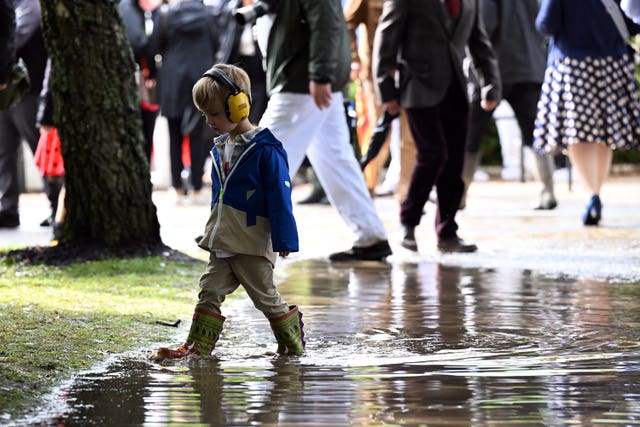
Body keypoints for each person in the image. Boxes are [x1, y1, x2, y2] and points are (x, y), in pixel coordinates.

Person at [156, 64, 305, 360]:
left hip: (251, 241)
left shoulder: (266, 149)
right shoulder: (220, 147)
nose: (208, 121)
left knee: (266, 299)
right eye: (204, 114)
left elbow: (280, 196)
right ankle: (197, 348)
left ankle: (292, 344)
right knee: (209, 290)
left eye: (214, 113)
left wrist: (285, 239)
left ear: (239, 107)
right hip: (223, 239)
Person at [255, 0, 392, 262]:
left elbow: (326, 23)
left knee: (261, 156)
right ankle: (370, 235)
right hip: (305, 77)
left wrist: (320, 75)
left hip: (301, 80)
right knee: (336, 159)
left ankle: (248, 240)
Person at [372, 0, 501, 253]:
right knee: (433, 154)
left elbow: (479, 42)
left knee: (454, 162)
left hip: (456, 89)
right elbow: (386, 39)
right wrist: (387, 92)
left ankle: (447, 231)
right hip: (418, 87)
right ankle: (408, 221)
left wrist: (491, 84)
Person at [534, 0, 640, 226]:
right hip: (613, 62)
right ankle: (597, 193)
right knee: (605, 132)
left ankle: (591, 195)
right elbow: (633, 22)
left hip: (573, 63)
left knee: (578, 134)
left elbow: (546, 24)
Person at [462, 0, 558, 211]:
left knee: (471, 135)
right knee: (534, 134)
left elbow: (484, 27)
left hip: (491, 71)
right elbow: (544, 23)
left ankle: (459, 194)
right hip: (529, 67)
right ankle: (547, 191)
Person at [147, 0, 218, 204]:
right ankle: (196, 186)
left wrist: (153, 73)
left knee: (174, 133)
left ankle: (176, 186)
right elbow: (216, 42)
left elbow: (153, 47)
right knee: (199, 132)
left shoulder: (165, 14)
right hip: (201, 79)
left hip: (172, 81)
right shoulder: (207, 15)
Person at [0, 0, 61, 228]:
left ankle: (57, 206)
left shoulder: (30, 3)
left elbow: (17, 32)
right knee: (4, 152)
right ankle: (8, 209)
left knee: (41, 149)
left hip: (28, 88)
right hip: (9, 87)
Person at [119, 0, 162, 162]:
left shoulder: (143, 11)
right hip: (138, 81)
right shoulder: (129, 9)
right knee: (143, 130)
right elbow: (138, 42)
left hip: (143, 79)